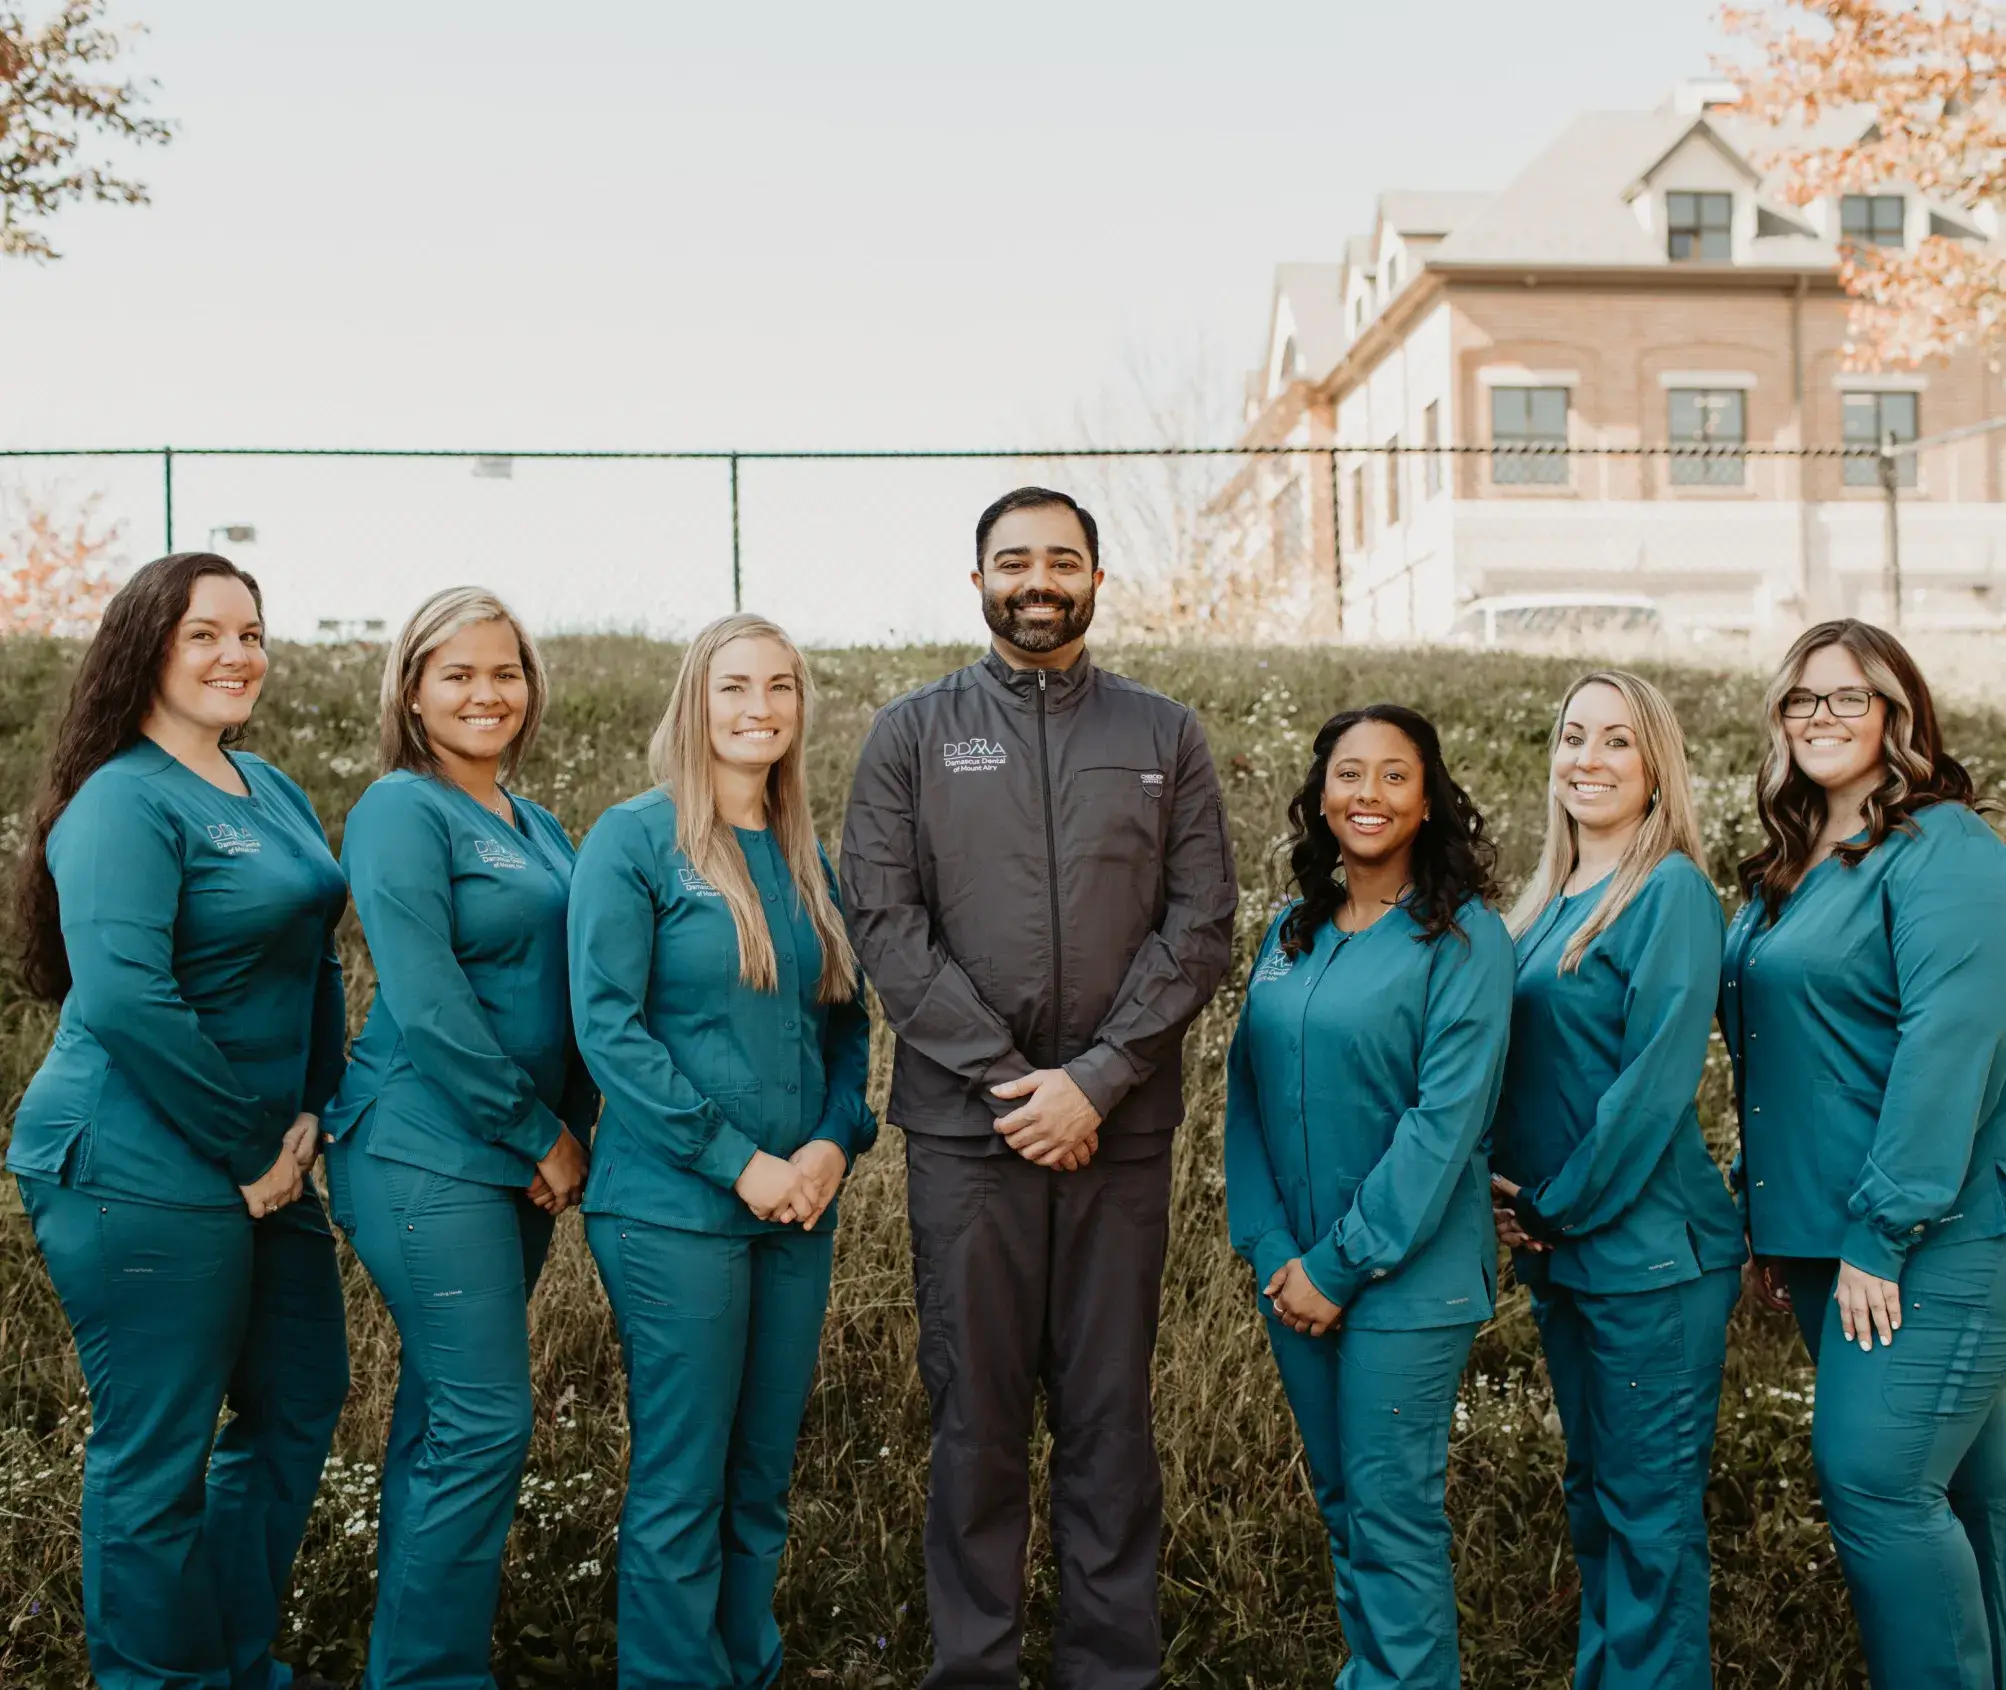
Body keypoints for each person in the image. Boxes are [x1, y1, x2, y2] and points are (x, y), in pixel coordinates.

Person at [841, 487, 1237, 1689]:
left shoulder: (1163, 733)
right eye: (1013, 560)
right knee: (977, 1418)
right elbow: (886, 925)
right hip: (969, 1139)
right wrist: (1021, 1085)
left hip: (1117, 1137)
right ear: (975, 582)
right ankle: (976, 1667)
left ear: (1097, 580)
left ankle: (1111, 1669)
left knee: (1110, 1417)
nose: (1037, 579)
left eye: (1061, 559)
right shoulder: (909, 734)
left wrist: (1099, 1080)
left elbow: (1200, 923)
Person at [6, 553, 350, 1690]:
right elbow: (124, 996)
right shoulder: (122, 798)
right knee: (156, 1453)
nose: (236, 655)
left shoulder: (275, 790)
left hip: (269, 1160)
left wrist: (312, 1107)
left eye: (251, 633)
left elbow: (313, 958)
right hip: (130, 1158)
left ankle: (230, 1661)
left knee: (297, 1401)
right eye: (205, 633)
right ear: (148, 646)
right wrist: (252, 1147)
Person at [569, 612, 875, 1689]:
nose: (760, 708)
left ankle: (746, 1665)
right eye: (735, 686)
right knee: (684, 1474)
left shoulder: (805, 854)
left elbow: (845, 1023)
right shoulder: (634, 839)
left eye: (780, 688)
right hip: (673, 1207)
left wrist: (835, 1144)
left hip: (798, 1208)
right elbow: (607, 1026)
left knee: (759, 1473)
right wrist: (738, 1158)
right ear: (695, 701)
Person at [319, 586, 597, 1690]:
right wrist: (539, 1133)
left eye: (505, 671)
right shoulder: (401, 808)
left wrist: (567, 1130)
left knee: (445, 1415)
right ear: (414, 693)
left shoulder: (539, 825)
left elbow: (575, 990)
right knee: (484, 1420)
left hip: (515, 1159)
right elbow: (428, 999)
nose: (487, 692)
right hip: (420, 1150)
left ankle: (408, 1659)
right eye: (458, 674)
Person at [1722, 618, 2006, 1690]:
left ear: (1897, 715)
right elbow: (1781, 1058)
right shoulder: (1786, 866)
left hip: (1928, 1237)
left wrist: (1881, 1232)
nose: (1821, 717)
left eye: (1849, 696)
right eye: (1802, 698)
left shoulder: (1943, 847)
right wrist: (1764, 1213)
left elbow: (1952, 1042)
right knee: (1976, 1502)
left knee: (1874, 1483)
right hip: (1821, 1240)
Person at [1223, 702, 1511, 1690]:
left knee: (1390, 1509)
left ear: (1427, 800)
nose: (1369, 795)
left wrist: (1338, 1265)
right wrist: (1269, 1249)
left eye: (1395, 775)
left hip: (1404, 1281)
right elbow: (1245, 1095)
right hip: (1293, 1273)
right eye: (1349, 774)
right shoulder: (1290, 931)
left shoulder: (1463, 939)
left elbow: (1445, 1125)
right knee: (1346, 1504)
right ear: (1317, 797)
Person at [1489, 671, 1745, 1690]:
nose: (1585, 760)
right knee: (1596, 1498)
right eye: (1571, 737)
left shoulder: (1668, 891)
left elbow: (1648, 1088)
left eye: (1615, 743)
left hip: (1652, 1262)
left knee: (1647, 1517)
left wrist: (1551, 1204)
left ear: (1653, 770)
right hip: (1564, 1255)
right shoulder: (1543, 903)